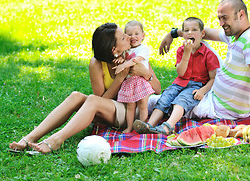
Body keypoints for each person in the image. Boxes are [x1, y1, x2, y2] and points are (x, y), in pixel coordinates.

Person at [9, 23, 161, 154]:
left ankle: (56, 140)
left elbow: (158, 89)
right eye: (123, 37)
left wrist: (146, 74)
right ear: (113, 48)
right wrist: (119, 79)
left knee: (92, 100)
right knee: (76, 96)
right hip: (109, 109)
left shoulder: (136, 56)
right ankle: (29, 138)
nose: (129, 37)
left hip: (132, 111)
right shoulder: (97, 63)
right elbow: (102, 100)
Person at [157, 0, 250, 133]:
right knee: (198, 42)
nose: (221, 23)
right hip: (214, 95)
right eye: (219, 19)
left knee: (156, 103)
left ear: (240, 14)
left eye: (225, 18)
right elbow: (203, 33)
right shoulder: (236, 35)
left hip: (220, 107)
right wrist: (173, 33)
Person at [134, 17, 220, 135]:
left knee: (181, 101)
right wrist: (186, 53)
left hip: (196, 85)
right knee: (165, 98)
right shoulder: (181, 51)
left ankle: (168, 126)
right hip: (180, 82)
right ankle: (150, 125)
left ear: (202, 34)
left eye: (194, 30)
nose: (190, 33)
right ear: (183, 34)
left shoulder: (208, 55)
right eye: (186, 30)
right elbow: (181, 73)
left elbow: (213, 78)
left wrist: (203, 90)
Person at [113, 21, 155, 133]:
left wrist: (124, 65)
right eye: (129, 34)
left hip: (141, 81)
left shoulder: (143, 49)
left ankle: (143, 126)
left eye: (137, 33)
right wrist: (121, 60)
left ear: (143, 35)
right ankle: (129, 126)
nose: (133, 37)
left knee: (142, 105)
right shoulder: (126, 49)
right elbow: (122, 56)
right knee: (130, 106)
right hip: (129, 82)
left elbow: (135, 60)